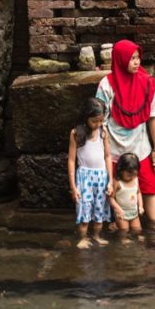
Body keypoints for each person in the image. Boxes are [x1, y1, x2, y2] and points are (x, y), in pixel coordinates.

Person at [97, 39, 155, 236]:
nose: (136, 62)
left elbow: (154, 117)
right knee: (111, 189)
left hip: (141, 148)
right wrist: (102, 154)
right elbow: (100, 122)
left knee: (149, 187)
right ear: (120, 60)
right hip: (113, 150)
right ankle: (112, 224)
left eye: (138, 58)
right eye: (131, 58)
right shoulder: (106, 85)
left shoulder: (147, 83)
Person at [67, 97, 113, 249]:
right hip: (84, 178)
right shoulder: (76, 134)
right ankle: (82, 237)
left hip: (101, 177)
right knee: (84, 209)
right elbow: (72, 161)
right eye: (95, 121)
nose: (98, 124)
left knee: (100, 209)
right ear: (86, 117)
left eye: (101, 121)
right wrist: (73, 187)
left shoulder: (103, 132)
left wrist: (110, 180)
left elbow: (107, 156)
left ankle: (96, 235)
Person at [110, 153, 144, 243]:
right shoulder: (117, 182)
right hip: (121, 213)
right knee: (124, 229)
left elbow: (138, 193)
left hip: (134, 212)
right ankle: (122, 240)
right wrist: (118, 209)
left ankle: (137, 237)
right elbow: (111, 198)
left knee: (137, 229)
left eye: (134, 174)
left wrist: (140, 206)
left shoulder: (135, 179)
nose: (132, 177)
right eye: (129, 175)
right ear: (121, 170)